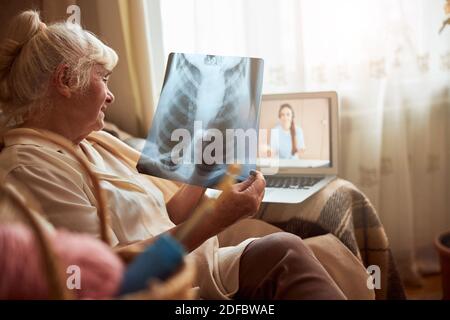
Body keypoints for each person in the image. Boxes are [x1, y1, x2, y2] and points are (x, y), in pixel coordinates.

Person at [0, 11, 345, 300]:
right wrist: (214, 219)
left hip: (190, 263)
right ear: (65, 80)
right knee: (285, 251)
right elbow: (99, 271)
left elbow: (163, 214)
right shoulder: (28, 168)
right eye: (103, 78)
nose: (111, 96)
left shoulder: (91, 144)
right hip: (161, 288)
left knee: (299, 251)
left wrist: (201, 169)